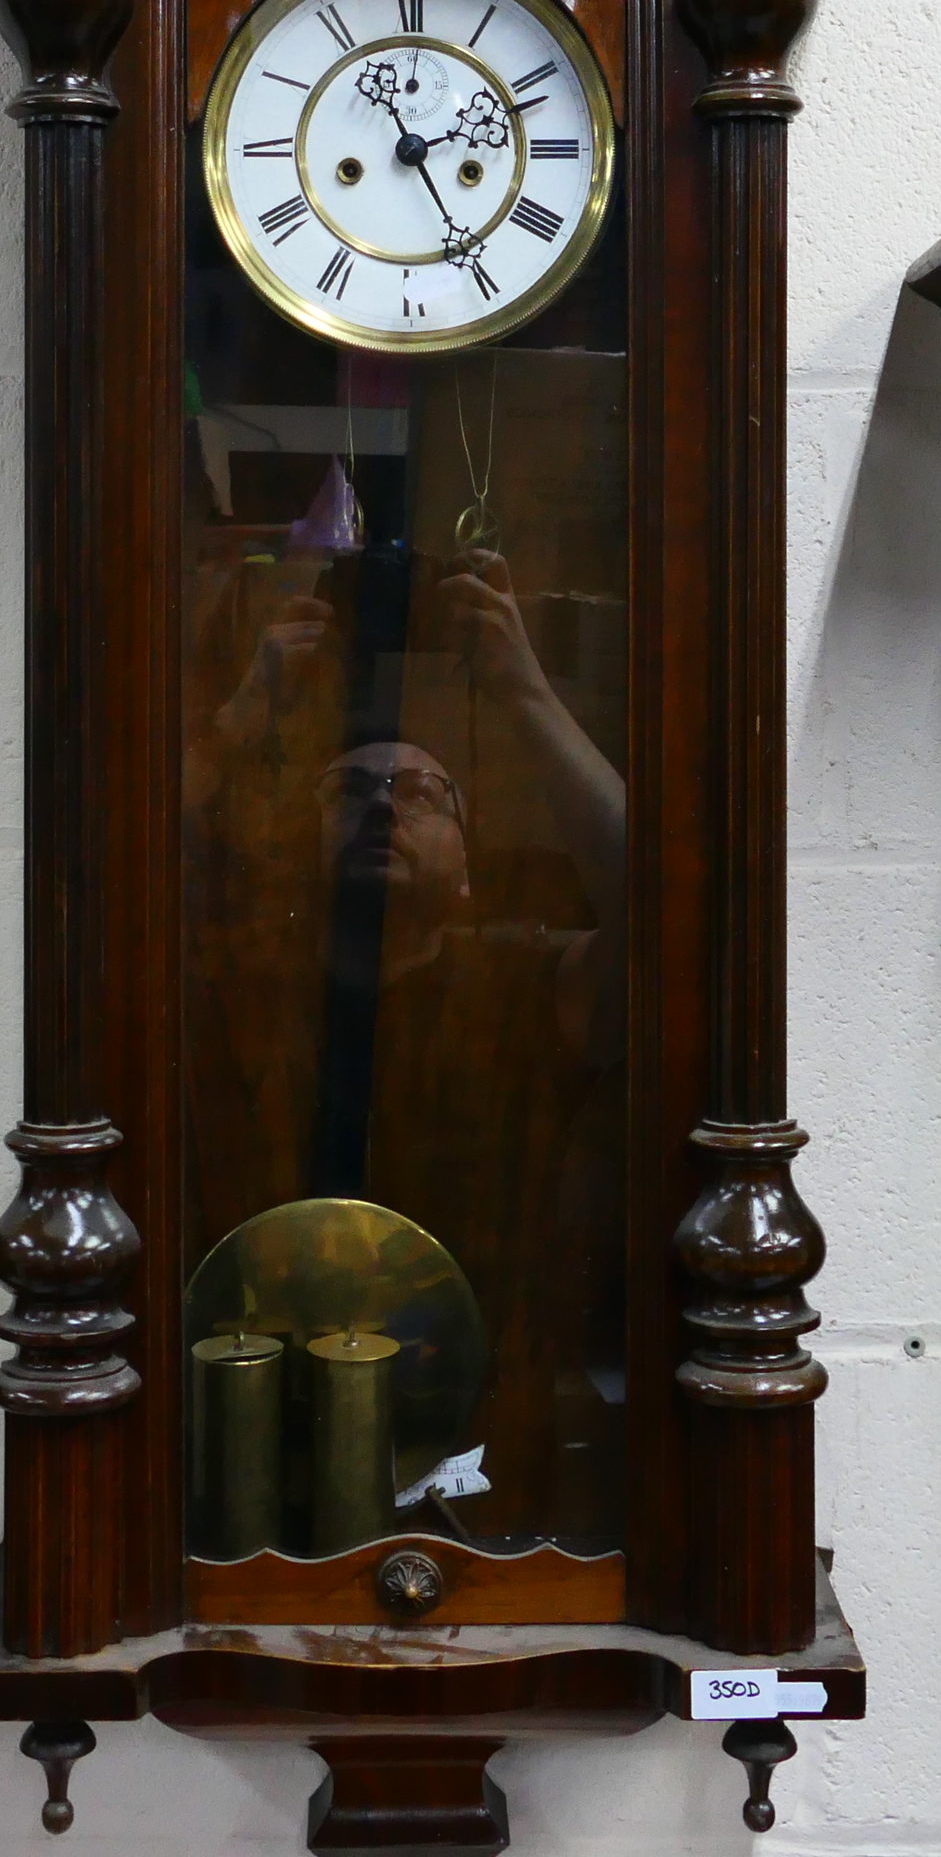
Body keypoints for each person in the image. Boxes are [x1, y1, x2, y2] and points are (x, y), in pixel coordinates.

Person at [184, 542, 628, 1551]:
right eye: (348, 791)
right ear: (298, 850)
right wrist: (244, 712)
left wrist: (522, 687)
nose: (384, 800)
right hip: (250, 1426)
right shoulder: (238, 983)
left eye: (423, 793)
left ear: (471, 871)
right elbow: (102, 887)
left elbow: (670, 906)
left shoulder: (522, 982)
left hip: (482, 1448)